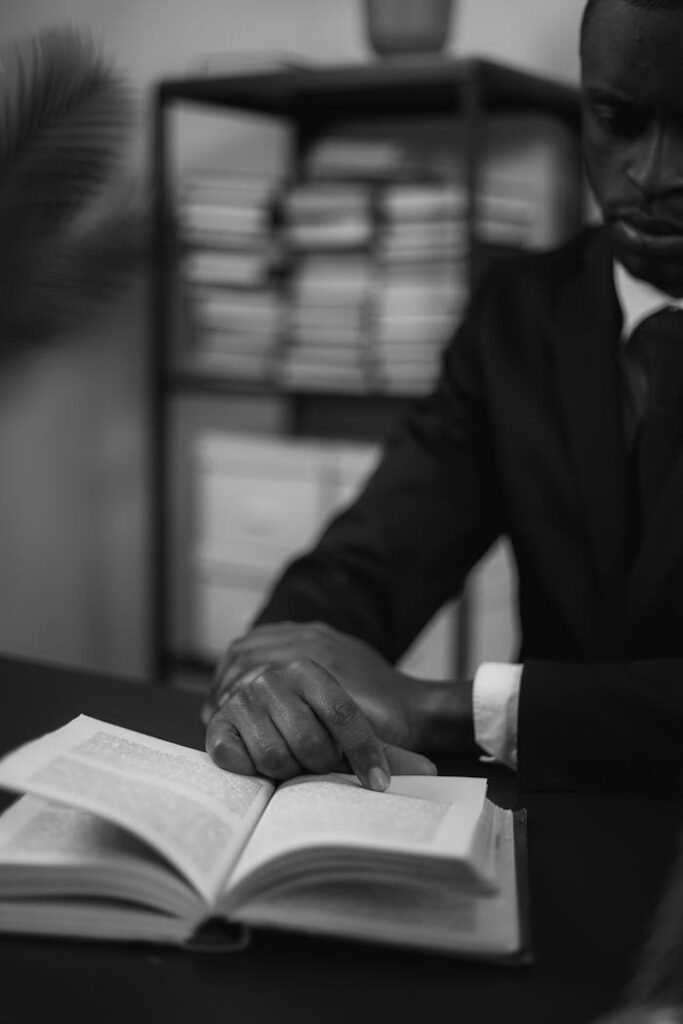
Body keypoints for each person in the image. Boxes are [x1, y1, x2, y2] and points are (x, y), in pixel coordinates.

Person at [203, 0, 683, 795]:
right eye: (617, 119)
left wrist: (440, 709)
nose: (655, 172)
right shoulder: (520, 312)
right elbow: (380, 551)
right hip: (538, 833)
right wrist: (289, 674)